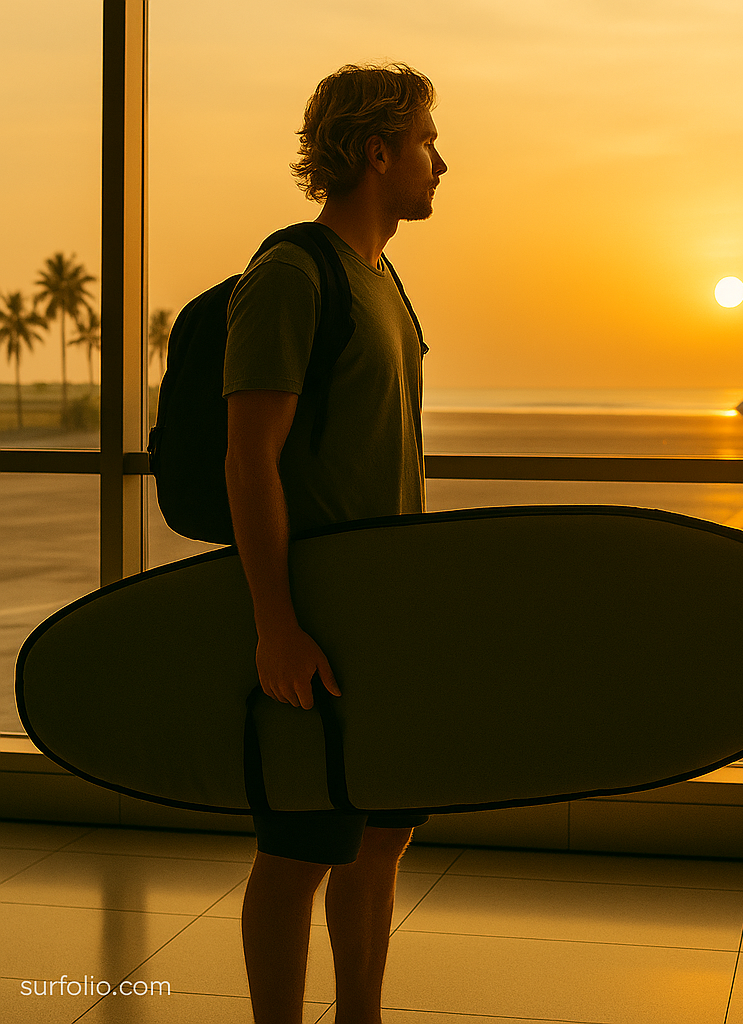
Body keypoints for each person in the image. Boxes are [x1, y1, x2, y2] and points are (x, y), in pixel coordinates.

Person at [222, 63, 447, 1024]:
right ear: (377, 152)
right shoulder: (291, 277)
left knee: (380, 836)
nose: (444, 160)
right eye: (429, 141)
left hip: (387, 620)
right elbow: (249, 460)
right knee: (299, 848)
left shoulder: (385, 280)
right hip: (315, 619)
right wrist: (277, 625)